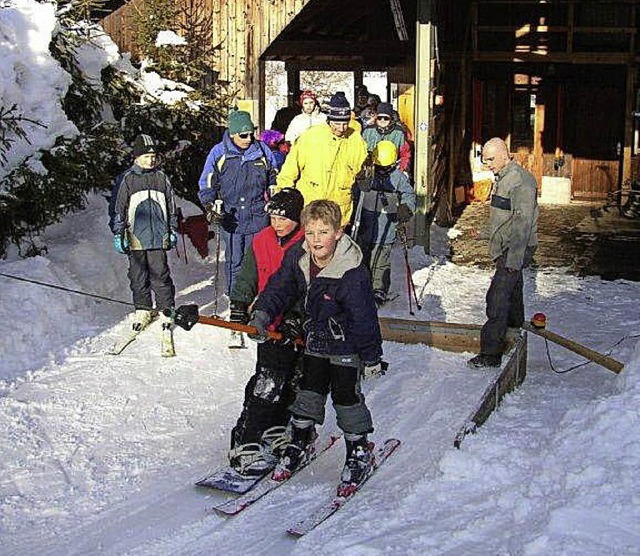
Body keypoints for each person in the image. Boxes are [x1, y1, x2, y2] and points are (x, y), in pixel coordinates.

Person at [247, 200, 385, 496]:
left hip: (346, 342)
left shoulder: (351, 269)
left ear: (338, 233)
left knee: (346, 395)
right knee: (308, 391)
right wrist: (262, 315)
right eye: (310, 233)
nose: (316, 240)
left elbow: (364, 317)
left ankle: (358, 447)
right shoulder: (299, 256)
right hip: (315, 339)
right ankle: (300, 436)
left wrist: (372, 356)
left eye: (324, 232)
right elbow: (280, 286)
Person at [226, 188, 306, 476]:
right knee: (268, 383)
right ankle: (245, 439)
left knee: (293, 381)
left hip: (297, 327)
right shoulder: (261, 240)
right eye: (273, 217)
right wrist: (239, 304)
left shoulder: (307, 244)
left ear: (297, 219)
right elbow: (248, 275)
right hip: (269, 325)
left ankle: (276, 428)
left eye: (284, 218)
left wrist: (297, 318)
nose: (277, 223)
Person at [468, 137, 539, 369]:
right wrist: (484, 233)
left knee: (497, 297)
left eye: (490, 159)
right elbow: (502, 218)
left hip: (517, 247)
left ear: (502, 154)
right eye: (484, 160)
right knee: (512, 288)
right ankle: (514, 329)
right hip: (505, 245)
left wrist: (514, 260)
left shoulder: (521, 181)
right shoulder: (502, 178)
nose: (487, 164)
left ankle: (490, 354)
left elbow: (522, 223)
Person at [197, 109, 278, 302]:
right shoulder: (219, 152)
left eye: (252, 133)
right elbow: (207, 182)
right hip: (231, 215)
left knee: (256, 259)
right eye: (243, 135)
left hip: (257, 214)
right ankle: (235, 298)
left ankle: (254, 298)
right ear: (233, 134)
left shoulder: (262, 150)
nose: (249, 138)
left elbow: (273, 174)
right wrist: (209, 205)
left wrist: (275, 191)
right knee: (235, 260)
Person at [110, 134, 178, 354]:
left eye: (153, 156)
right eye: (146, 156)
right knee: (138, 275)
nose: (150, 160)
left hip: (158, 236)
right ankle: (143, 308)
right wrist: (119, 233)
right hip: (136, 236)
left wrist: (172, 229)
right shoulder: (127, 179)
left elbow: (171, 204)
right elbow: (118, 208)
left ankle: (166, 309)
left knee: (161, 273)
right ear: (136, 157)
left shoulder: (161, 177)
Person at [275, 92, 368, 228]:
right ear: (329, 120)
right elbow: (290, 168)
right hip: (310, 204)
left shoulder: (355, 139)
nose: (341, 129)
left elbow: (361, 169)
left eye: (345, 123)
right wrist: (285, 193)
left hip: (339, 208)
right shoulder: (310, 136)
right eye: (336, 123)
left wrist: (364, 173)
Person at [355, 140, 416, 307]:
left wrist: (406, 208)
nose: (382, 171)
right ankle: (362, 286)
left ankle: (379, 289)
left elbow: (409, 195)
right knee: (364, 258)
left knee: (381, 260)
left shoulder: (398, 178)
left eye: (386, 167)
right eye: (380, 167)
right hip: (366, 225)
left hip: (386, 226)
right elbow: (357, 190)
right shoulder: (369, 175)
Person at [362, 102, 412, 174]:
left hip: (392, 169)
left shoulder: (399, 133)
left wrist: (402, 170)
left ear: (391, 118)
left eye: (386, 118)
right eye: (379, 118)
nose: (382, 120)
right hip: (372, 169)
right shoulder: (368, 131)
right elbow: (361, 151)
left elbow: (405, 154)